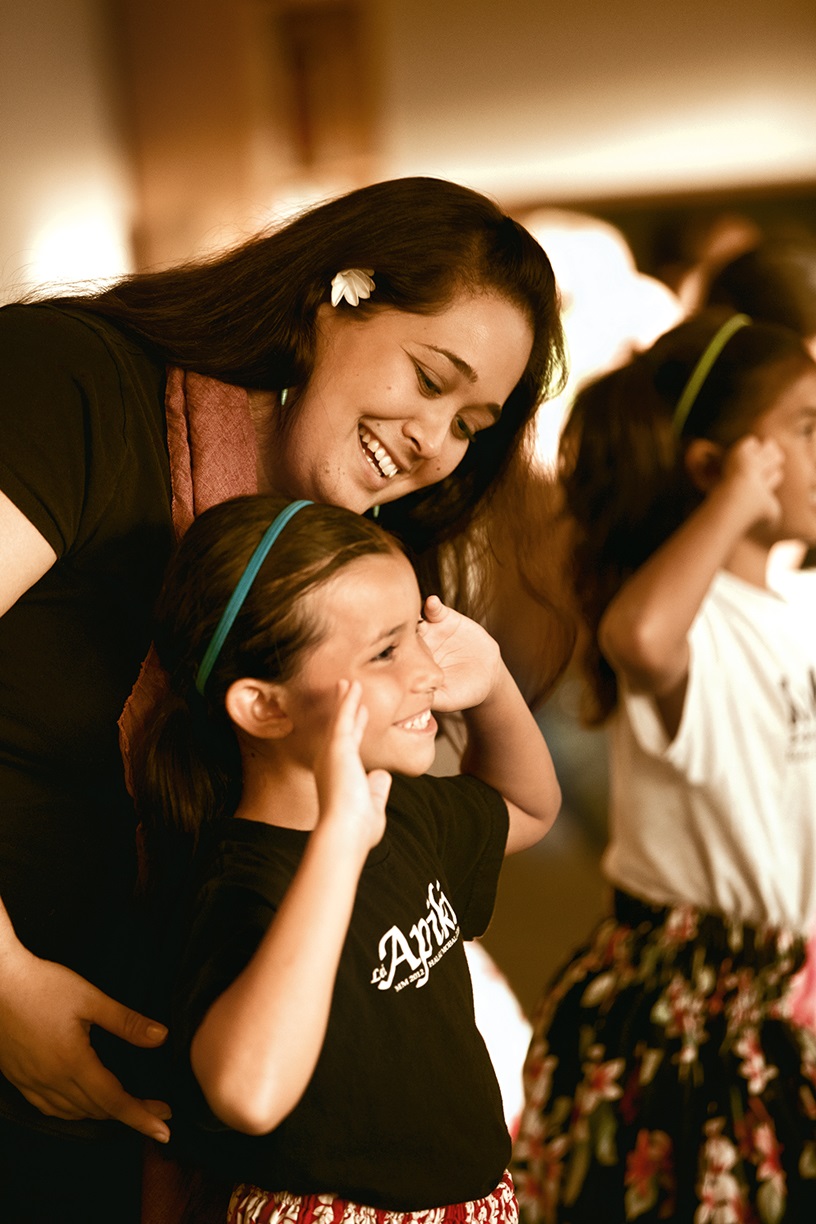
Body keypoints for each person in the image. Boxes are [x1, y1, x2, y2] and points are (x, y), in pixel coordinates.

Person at [0, 175, 566, 1221]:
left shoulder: (328, 557)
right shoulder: (75, 385)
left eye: (473, 424)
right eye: (431, 379)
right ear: (333, 297)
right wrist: (4, 989)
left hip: (153, 1106)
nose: (438, 443)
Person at [130, 493, 561, 1223]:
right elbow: (249, 1094)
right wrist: (338, 843)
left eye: (417, 632)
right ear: (265, 707)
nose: (426, 669)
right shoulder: (246, 884)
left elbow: (530, 809)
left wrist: (492, 685)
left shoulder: (405, 811)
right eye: (387, 650)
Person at [509, 309, 816, 1222]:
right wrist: (734, 501)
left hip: (783, 995)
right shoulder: (692, 617)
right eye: (804, 429)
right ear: (719, 467)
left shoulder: (785, 609)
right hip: (702, 1020)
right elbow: (639, 636)